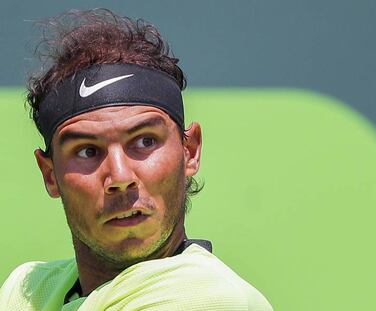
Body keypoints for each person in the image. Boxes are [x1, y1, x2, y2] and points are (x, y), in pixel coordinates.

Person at [0, 8, 273, 311]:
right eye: (87, 151)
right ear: (50, 174)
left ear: (190, 151)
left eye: (145, 142)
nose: (119, 177)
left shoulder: (209, 298)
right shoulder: (29, 288)